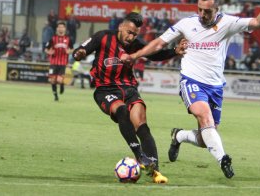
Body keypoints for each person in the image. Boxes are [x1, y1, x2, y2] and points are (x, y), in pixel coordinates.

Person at [120, 0, 260, 179]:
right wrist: (135, 56)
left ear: (217, 9)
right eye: (199, 9)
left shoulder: (228, 23)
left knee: (205, 138)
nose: (202, 14)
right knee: (204, 115)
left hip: (215, 87)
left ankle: (179, 136)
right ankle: (223, 159)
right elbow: (159, 43)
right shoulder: (187, 24)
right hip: (191, 81)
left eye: (207, 11)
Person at [72, 12, 187, 184]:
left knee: (142, 125)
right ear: (121, 27)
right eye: (129, 32)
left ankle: (155, 171)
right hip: (105, 90)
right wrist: (79, 54)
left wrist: (174, 52)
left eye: (134, 34)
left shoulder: (135, 45)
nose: (131, 37)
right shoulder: (103, 37)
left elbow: (154, 54)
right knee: (122, 111)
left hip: (129, 89)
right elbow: (81, 50)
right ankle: (139, 155)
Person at [45, 22, 73, 101]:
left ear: (65, 29)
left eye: (62, 27)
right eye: (59, 27)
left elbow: (72, 49)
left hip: (63, 63)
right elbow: (46, 49)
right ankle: (55, 96)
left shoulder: (68, 39)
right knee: (52, 80)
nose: (61, 28)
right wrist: (49, 52)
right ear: (57, 28)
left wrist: (69, 51)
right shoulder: (53, 38)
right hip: (53, 62)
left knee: (59, 80)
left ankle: (62, 85)